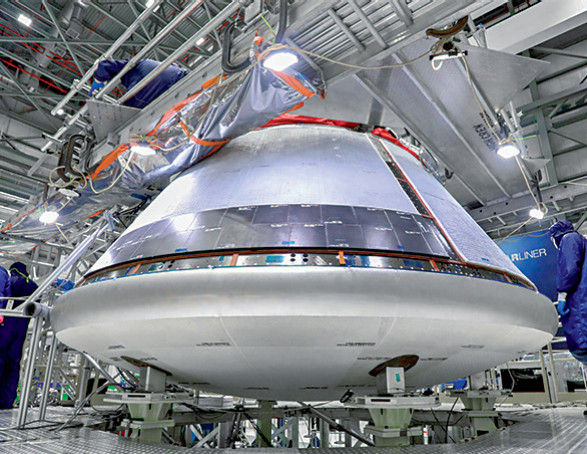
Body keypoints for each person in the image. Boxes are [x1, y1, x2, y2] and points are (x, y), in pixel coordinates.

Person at [0, 262, 38, 409]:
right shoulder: (33, 286)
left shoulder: (8, 277)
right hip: (20, 332)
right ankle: (7, 401)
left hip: (5, 326)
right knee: (13, 364)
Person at [549, 220, 587, 364]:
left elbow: (569, 269)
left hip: (582, 314)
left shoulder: (569, 239)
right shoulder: (582, 242)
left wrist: (562, 295)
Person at [88, 58, 187, 109]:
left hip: (144, 87)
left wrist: (98, 80)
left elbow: (103, 66)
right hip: (174, 74)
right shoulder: (139, 62)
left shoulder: (125, 69)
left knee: (126, 116)